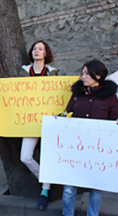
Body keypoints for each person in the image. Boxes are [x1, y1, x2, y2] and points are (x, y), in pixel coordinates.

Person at [61, 60, 118, 216]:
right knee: (69, 188)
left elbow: (114, 119)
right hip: (76, 147)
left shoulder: (110, 97)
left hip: (99, 150)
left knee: (96, 188)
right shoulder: (77, 94)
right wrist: (58, 119)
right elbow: (68, 113)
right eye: (83, 72)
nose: (82, 76)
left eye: (86, 73)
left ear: (98, 76)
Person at [18, 40, 59, 210]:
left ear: (45, 53)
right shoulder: (24, 72)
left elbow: (59, 93)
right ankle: (45, 180)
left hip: (49, 120)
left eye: (40, 48)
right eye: (34, 48)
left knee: (48, 157)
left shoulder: (53, 73)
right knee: (25, 157)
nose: (37, 51)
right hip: (30, 120)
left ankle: (45, 191)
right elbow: (15, 90)